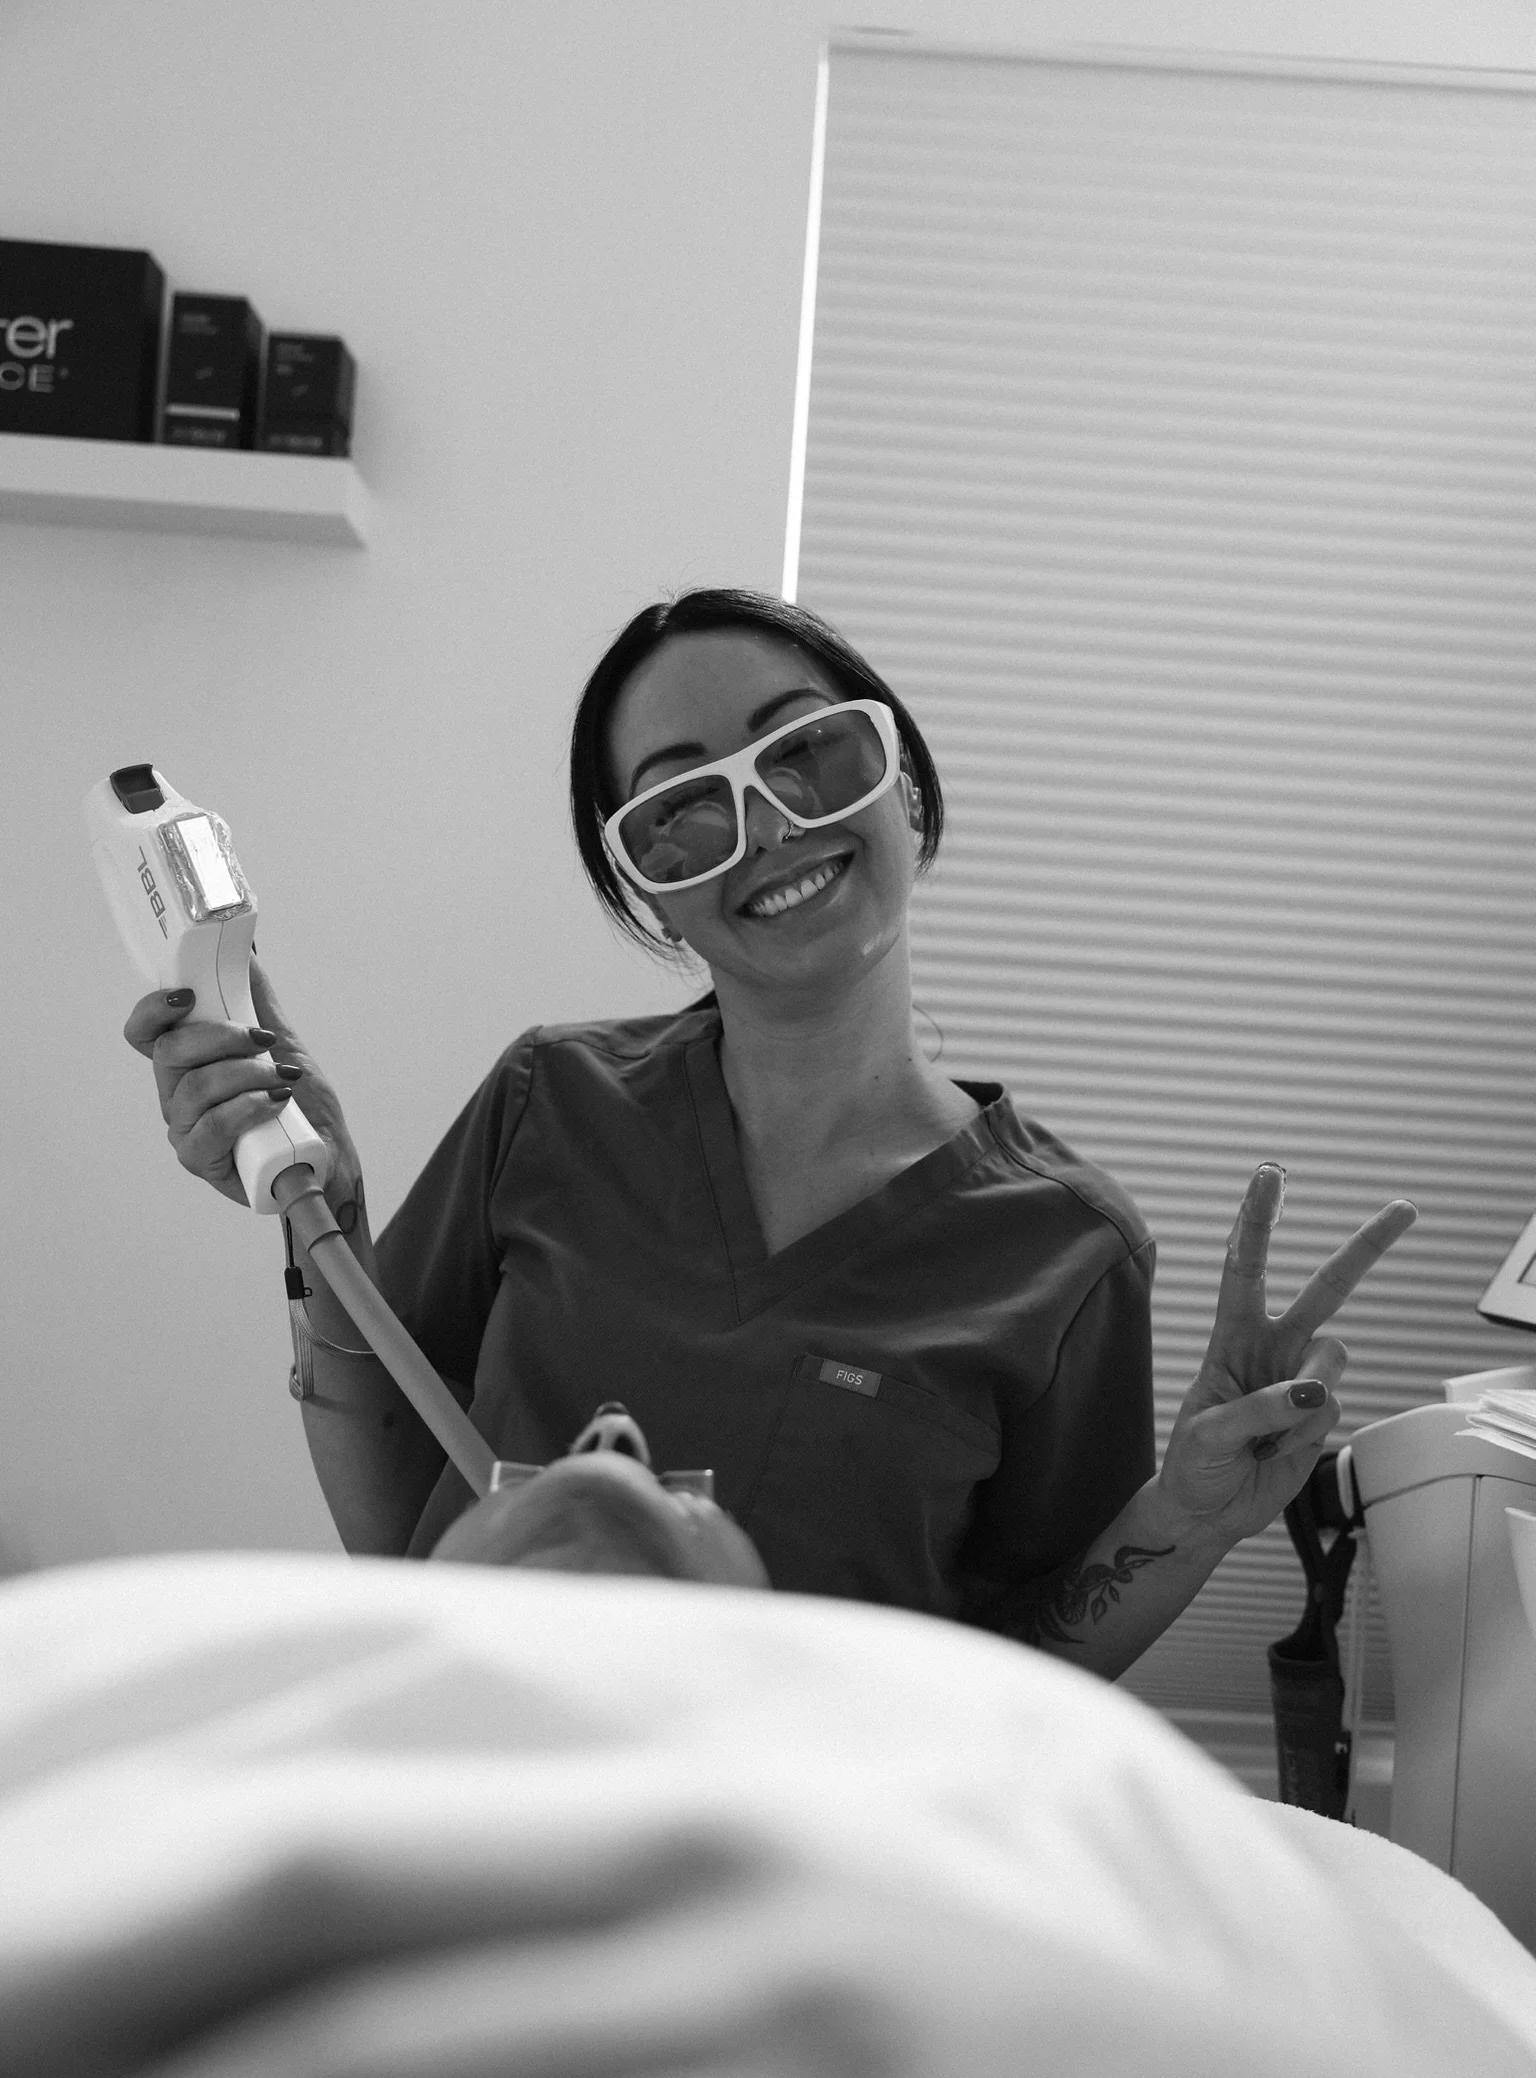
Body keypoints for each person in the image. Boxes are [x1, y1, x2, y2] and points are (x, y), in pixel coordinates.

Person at [123, 587, 1416, 1680]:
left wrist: (1185, 1519)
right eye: (681, 810)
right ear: (654, 899)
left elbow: (1020, 1685)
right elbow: (406, 1520)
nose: (771, 825)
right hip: (496, 1762)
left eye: (809, 753)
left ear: (903, 784)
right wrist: (321, 1221)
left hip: (812, 1839)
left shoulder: (1063, 1247)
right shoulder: (550, 1104)